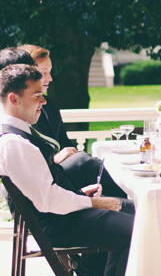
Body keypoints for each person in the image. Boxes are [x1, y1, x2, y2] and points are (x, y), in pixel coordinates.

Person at [0, 63, 134, 276]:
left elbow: (43, 190)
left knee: (141, 210)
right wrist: (98, 203)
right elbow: (48, 202)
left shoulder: (19, 133)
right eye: (37, 95)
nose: (44, 101)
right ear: (14, 99)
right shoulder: (14, 143)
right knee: (139, 230)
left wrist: (78, 196)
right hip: (56, 225)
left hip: (59, 214)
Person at [19, 44, 126, 198]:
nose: (50, 78)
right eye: (44, 73)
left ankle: (118, 205)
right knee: (84, 162)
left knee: (92, 162)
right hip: (45, 180)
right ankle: (124, 207)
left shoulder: (50, 105)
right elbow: (24, 159)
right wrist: (54, 159)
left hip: (66, 177)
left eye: (50, 72)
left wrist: (71, 153)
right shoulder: (18, 112)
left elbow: (65, 142)